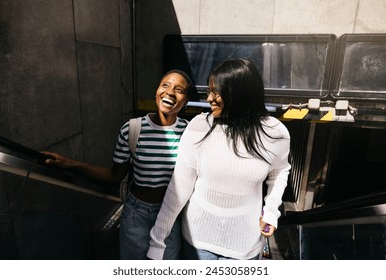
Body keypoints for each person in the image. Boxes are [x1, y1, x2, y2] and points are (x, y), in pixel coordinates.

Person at [43, 69, 196, 260]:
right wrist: (69, 164)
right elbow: (115, 175)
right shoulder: (132, 129)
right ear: (157, 91)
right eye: (165, 85)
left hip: (171, 215)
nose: (170, 92)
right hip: (136, 214)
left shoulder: (189, 132)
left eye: (179, 89)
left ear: (186, 101)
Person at [146, 58, 291, 260]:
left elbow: (279, 171)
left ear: (240, 93)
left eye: (217, 92)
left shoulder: (274, 132)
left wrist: (272, 210)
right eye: (209, 91)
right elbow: (178, 190)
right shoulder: (199, 126)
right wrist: (157, 242)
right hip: (197, 244)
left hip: (244, 247)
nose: (209, 99)